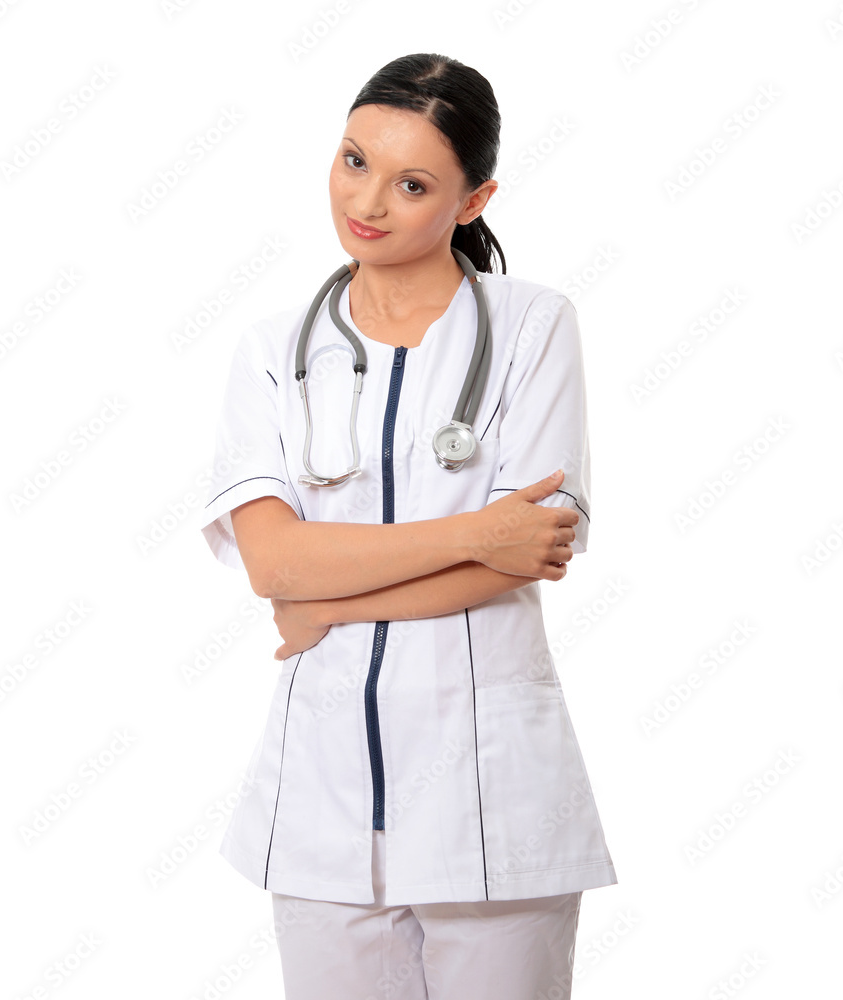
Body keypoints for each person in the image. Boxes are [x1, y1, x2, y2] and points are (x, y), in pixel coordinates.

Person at [199, 52, 617, 1000]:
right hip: (323, 801)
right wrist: (473, 533)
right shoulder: (273, 351)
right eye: (355, 161)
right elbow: (275, 564)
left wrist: (330, 603)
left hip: (491, 798)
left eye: (414, 183)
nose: (368, 202)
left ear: (475, 201)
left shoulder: (533, 327)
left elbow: (529, 552)